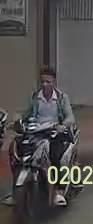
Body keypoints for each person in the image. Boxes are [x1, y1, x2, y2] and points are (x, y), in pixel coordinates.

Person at [5, 67, 76, 207]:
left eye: (48, 82)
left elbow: (70, 118)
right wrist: (16, 121)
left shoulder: (62, 98)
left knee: (55, 156)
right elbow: (25, 113)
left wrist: (62, 126)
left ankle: (59, 191)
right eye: (42, 81)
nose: (44, 85)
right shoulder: (35, 97)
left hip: (54, 133)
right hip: (35, 132)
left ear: (54, 82)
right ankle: (16, 193)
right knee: (16, 150)